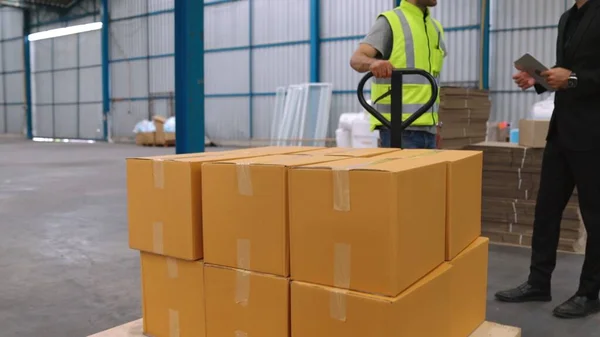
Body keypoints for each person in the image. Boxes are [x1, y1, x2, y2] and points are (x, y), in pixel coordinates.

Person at [495, 0, 600, 319]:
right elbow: (564, 71)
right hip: (561, 131)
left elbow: (577, 76)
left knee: (595, 217)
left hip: (594, 132)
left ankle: (589, 293)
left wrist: (574, 80)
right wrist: (538, 80)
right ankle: (539, 282)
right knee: (546, 210)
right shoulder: (568, 17)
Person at [350, 0, 445, 149]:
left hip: (429, 131)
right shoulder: (391, 21)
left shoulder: (435, 27)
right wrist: (373, 63)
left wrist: (436, 125)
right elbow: (356, 59)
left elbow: (433, 81)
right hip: (399, 130)